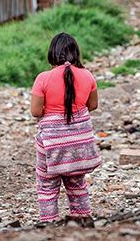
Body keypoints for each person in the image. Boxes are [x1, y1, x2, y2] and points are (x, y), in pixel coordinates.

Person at [30, 32, 102, 226]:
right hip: (79, 143)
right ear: (76, 53)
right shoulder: (87, 75)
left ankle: (49, 226)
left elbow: (36, 112)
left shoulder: (43, 78)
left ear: (52, 53)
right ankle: (82, 223)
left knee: (47, 186)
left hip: (51, 143)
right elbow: (92, 105)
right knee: (77, 184)